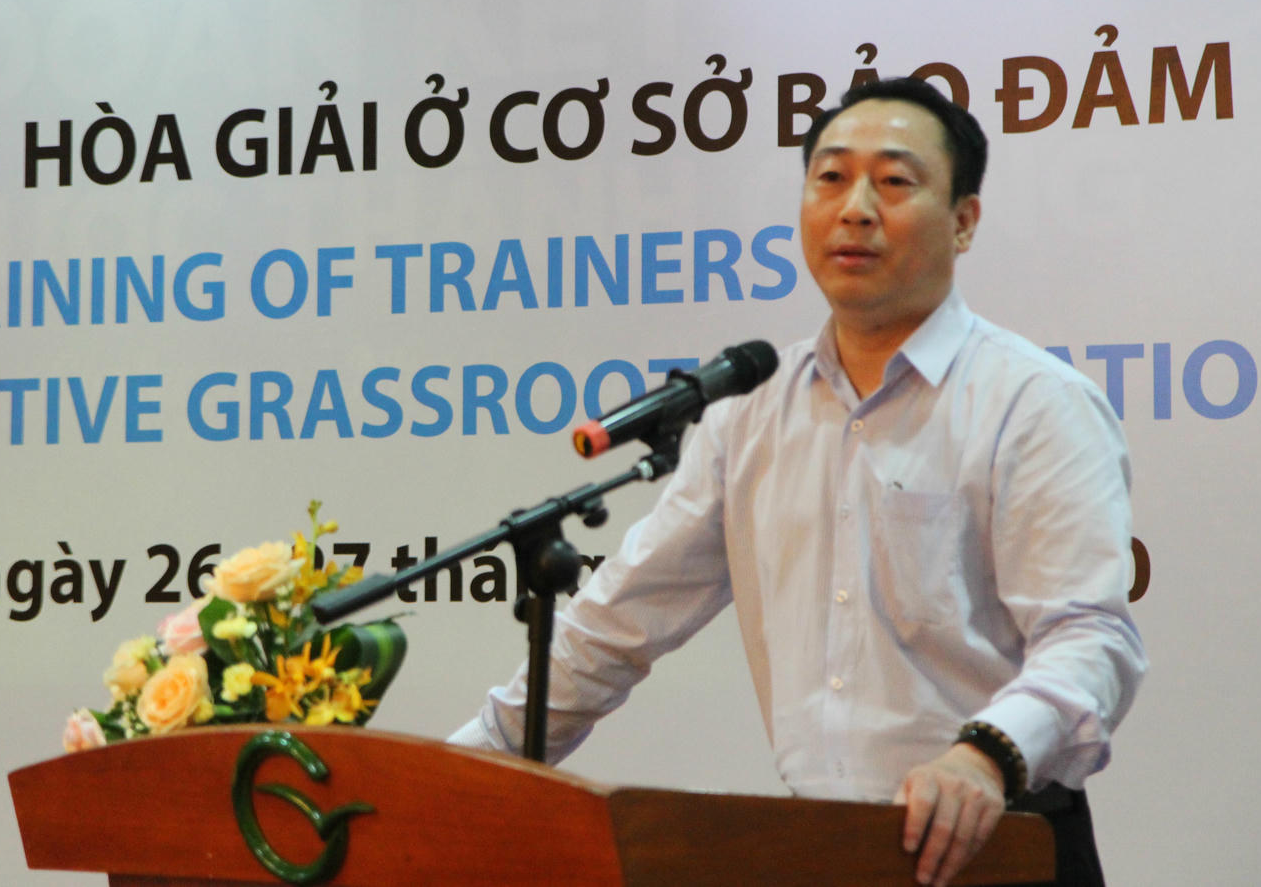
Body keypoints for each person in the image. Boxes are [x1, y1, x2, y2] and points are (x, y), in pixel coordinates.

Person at [450, 76, 1146, 887]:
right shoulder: (751, 410)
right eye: (831, 177)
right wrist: (456, 774)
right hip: (819, 848)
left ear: (964, 221)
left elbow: (1091, 637)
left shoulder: (1034, 403)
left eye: (894, 182)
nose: (856, 209)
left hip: (997, 844)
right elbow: (611, 628)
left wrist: (986, 755)